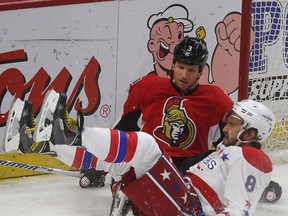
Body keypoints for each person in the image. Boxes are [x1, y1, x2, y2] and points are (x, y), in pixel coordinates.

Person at [18, 97, 276, 215]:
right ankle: (48, 144)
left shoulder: (253, 159)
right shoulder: (229, 151)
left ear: (251, 132)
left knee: (146, 147)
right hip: (183, 201)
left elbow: (239, 210)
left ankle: (74, 134)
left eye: (233, 122)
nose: (225, 126)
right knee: (118, 163)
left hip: (190, 209)